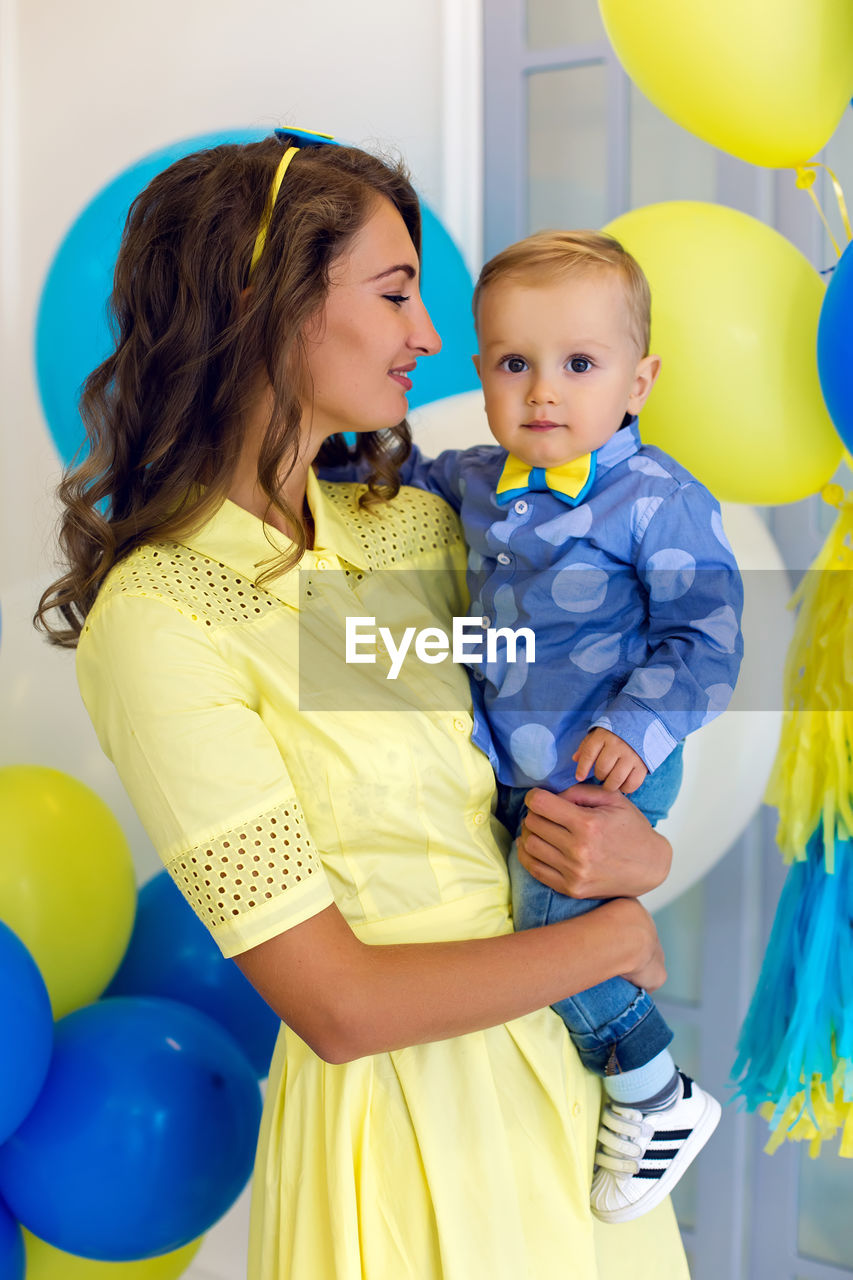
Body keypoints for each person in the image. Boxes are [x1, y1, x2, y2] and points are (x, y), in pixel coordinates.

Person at [37, 132, 689, 1278]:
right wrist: (616, 933)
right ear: (266, 297)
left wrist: (629, 851)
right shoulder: (165, 617)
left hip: (583, 1121)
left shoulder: (417, 530)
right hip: (402, 1146)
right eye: (395, 292)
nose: (432, 336)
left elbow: (549, 774)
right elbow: (335, 1002)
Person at [361, 230, 743, 1222]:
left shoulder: (654, 499)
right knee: (518, 919)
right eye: (514, 364)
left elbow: (706, 636)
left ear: (638, 379)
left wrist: (640, 727)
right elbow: (401, 491)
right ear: (482, 369)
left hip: (605, 758)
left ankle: (655, 1088)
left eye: (579, 364)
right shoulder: (475, 478)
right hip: (515, 757)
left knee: (546, 928)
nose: (543, 392)